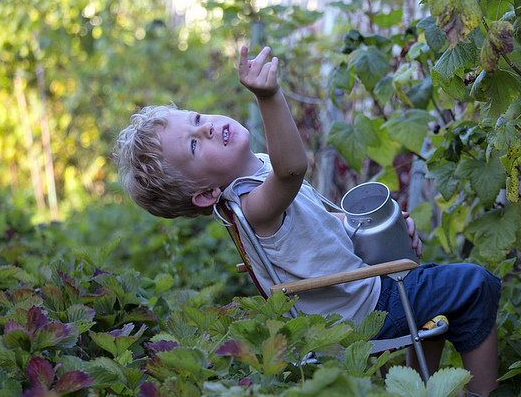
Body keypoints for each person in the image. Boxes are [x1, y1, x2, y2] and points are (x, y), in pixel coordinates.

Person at [114, 46, 501, 396]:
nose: (208, 127)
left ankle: (418, 391)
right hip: (362, 310)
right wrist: (269, 96)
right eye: (195, 144)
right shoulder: (252, 206)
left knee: (432, 309)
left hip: (364, 289)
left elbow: (318, 225)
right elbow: (292, 170)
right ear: (205, 194)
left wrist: (380, 230)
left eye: (197, 119)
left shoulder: (260, 175)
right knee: (474, 285)